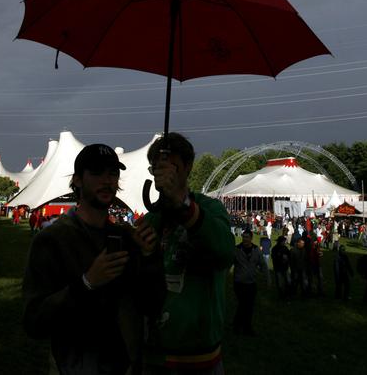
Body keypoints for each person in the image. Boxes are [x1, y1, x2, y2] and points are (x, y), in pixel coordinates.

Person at [22, 143, 163, 374]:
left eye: (113, 173)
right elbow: (34, 322)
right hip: (73, 366)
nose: (107, 180)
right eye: (97, 172)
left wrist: (150, 257)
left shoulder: (127, 238)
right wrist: (87, 283)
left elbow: (152, 304)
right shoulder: (52, 240)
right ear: (77, 180)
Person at [141, 132, 233, 373]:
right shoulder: (150, 220)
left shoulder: (210, 209)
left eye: (171, 166)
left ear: (188, 166)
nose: (163, 175)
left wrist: (183, 205)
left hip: (199, 358)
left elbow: (225, 251)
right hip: (152, 356)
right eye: (157, 168)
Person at [232, 229, 266, 335]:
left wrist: (266, 277)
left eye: (247, 237)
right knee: (243, 304)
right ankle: (239, 326)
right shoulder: (237, 249)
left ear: (251, 238)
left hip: (251, 282)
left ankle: (245, 326)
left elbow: (263, 264)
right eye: (244, 237)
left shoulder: (256, 250)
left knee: (249, 306)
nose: (245, 239)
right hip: (239, 282)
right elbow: (229, 262)